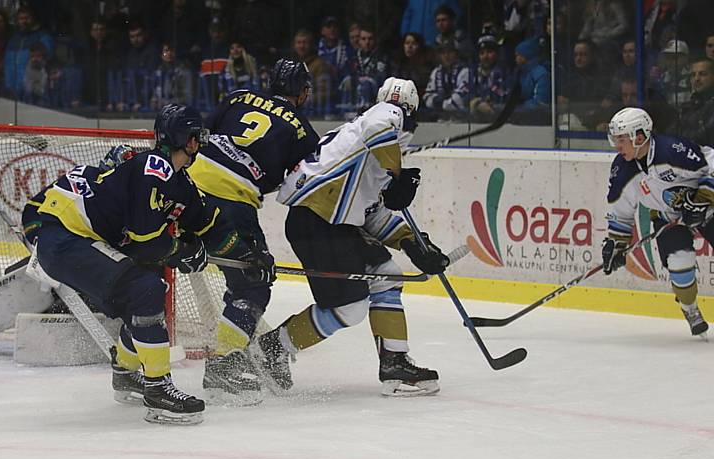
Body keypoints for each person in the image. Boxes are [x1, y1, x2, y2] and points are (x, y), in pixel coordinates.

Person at [32, 104, 265, 425]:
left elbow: (208, 224)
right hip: (66, 239)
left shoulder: (179, 182)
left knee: (145, 292)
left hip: (84, 240)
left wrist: (247, 259)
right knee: (145, 290)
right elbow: (147, 238)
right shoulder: (153, 167)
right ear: (190, 140)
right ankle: (158, 389)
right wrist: (183, 252)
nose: (200, 143)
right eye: (198, 136)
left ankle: (127, 374)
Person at [256, 77, 453, 397]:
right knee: (354, 303)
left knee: (375, 286)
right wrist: (399, 175)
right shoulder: (386, 116)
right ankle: (273, 349)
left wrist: (414, 244)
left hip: (326, 224)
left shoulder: (362, 152)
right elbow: (379, 125)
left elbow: (371, 215)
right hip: (320, 223)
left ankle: (393, 362)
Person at [186, 59, 320, 405]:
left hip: (183, 188)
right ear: (302, 91)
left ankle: (129, 367)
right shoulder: (303, 131)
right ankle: (222, 366)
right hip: (229, 203)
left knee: (149, 262)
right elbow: (301, 185)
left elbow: (198, 138)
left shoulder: (238, 96)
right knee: (253, 285)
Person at [604, 107, 714, 336]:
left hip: (707, 210)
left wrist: (704, 199)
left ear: (640, 137)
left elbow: (710, 166)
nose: (617, 146)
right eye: (615, 139)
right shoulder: (622, 168)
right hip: (666, 217)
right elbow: (621, 212)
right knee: (679, 264)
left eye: (621, 139)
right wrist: (616, 244)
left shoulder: (672, 150)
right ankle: (690, 308)